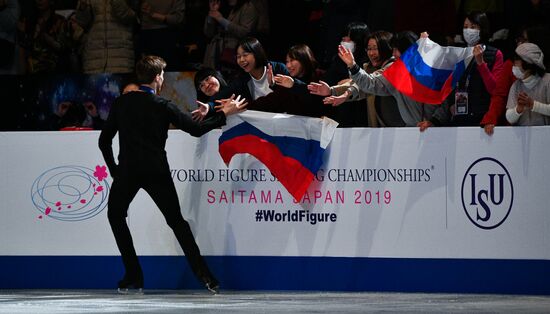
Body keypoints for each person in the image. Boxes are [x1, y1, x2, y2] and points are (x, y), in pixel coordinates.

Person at [98, 55, 246, 294]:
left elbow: (104, 142)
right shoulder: (162, 105)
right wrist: (223, 114)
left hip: (127, 171)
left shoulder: (121, 103)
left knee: (116, 216)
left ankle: (133, 275)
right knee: (177, 223)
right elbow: (197, 130)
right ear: (158, 78)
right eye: (163, 75)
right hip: (156, 171)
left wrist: (116, 171)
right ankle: (207, 277)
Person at [505, 43, 550, 125]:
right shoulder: (516, 85)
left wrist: (533, 105)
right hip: (523, 136)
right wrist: (518, 109)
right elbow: (509, 118)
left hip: (545, 135)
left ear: (528, 64)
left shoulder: (547, 81)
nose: (514, 65)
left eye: (517, 61)